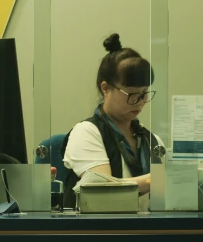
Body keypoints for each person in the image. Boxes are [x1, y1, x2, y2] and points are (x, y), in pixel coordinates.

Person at [62, 33, 161, 208]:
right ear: (106, 88)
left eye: (144, 94)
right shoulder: (86, 132)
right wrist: (158, 179)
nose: (139, 102)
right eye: (131, 95)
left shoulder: (150, 140)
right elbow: (104, 191)